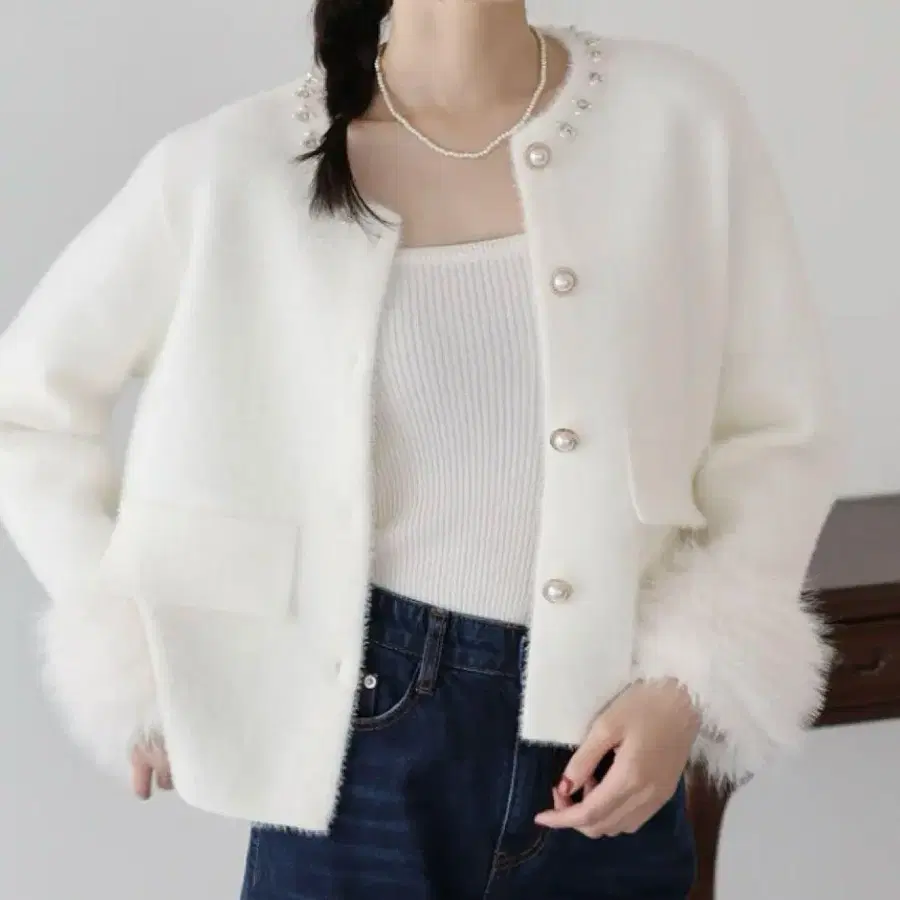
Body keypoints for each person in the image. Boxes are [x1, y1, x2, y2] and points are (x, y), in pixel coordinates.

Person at [0, 1, 841, 898]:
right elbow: (28, 413)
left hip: (606, 736)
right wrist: (146, 655)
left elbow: (777, 431)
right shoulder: (231, 165)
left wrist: (688, 682)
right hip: (354, 750)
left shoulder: (680, 119)